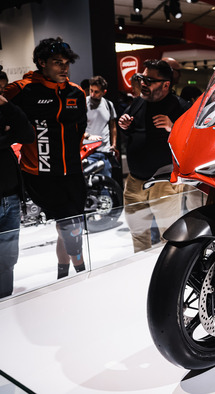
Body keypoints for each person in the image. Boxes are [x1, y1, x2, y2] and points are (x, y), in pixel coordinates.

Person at [4, 37, 88, 279]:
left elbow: (79, 131)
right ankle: (82, 273)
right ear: (42, 63)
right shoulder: (22, 90)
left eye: (66, 63)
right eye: (57, 63)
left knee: (69, 227)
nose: (64, 68)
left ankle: (63, 275)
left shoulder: (77, 93)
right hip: (40, 175)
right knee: (71, 227)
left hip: (72, 173)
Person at [118, 59, 187, 252]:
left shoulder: (180, 107)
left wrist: (173, 128)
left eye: (149, 80)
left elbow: (193, 141)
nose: (143, 84)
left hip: (164, 183)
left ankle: (167, 277)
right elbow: (133, 132)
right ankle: (142, 276)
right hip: (134, 182)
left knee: (169, 237)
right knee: (138, 236)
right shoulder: (139, 102)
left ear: (166, 84)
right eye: (142, 78)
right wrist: (124, 124)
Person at [0, 94, 35, 298]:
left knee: (9, 257)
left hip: (11, 196)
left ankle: (5, 300)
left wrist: (7, 105)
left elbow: (28, 134)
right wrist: (8, 137)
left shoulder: (4, 109)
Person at [84, 75, 118, 177]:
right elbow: (76, 126)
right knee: (89, 185)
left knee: (106, 184)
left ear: (104, 92)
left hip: (105, 152)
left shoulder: (108, 104)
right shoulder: (83, 103)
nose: (93, 94)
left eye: (96, 92)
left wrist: (114, 144)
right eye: (91, 91)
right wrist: (86, 136)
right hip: (88, 151)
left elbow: (113, 126)